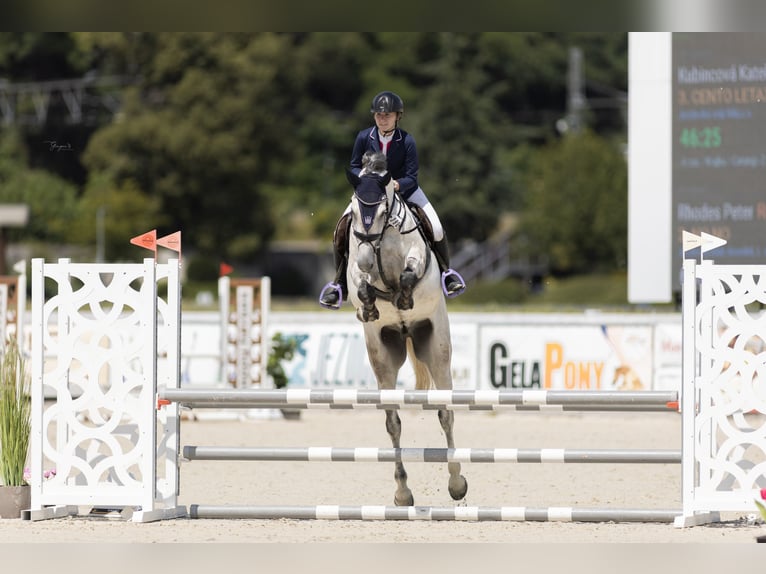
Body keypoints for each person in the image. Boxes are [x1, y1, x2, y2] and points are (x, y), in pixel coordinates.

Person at [319, 90, 465, 309]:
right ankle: (339, 284)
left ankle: (447, 274)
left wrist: (396, 185)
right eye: (378, 115)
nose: (382, 118)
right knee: (340, 229)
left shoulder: (406, 141)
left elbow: (412, 177)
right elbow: (354, 165)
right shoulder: (363, 137)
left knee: (435, 226)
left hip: (403, 190)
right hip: (371, 194)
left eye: (387, 114)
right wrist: (367, 181)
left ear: (398, 116)